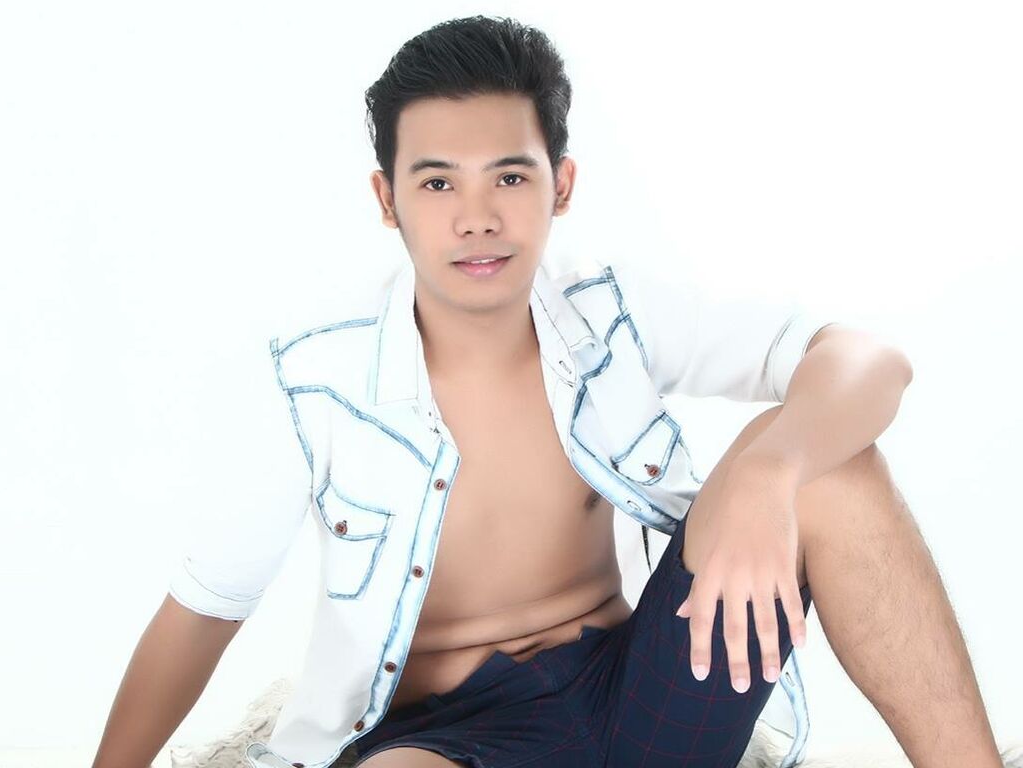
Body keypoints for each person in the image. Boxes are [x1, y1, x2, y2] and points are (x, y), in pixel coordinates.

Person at [92, 15, 1005, 768]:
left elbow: (866, 360)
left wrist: (770, 471)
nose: (476, 216)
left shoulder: (610, 313)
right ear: (387, 199)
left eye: (510, 176)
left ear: (560, 186)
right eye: (437, 182)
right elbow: (203, 611)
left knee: (833, 473)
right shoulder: (315, 387)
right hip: (451, 736)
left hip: (644, 693)